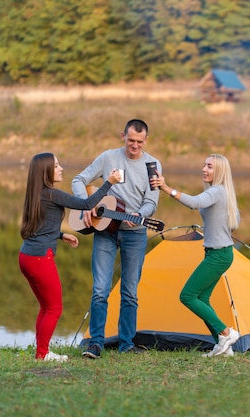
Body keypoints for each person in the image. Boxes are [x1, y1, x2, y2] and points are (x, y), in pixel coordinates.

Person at [19, 152, 122, 362]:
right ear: (46, 171)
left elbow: (39, 228)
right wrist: (108, 183)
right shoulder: (51, 194)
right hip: (40, 258)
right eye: (56, 166)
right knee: (54, 308)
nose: (61, 169)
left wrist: (61, 235)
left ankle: (41, 351)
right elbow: (86, 205)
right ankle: (43, 354)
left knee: (46, 307)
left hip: (27, 255)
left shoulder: (36, 194)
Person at [72, 119, 161, 358]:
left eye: (139, 142)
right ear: (123, 135)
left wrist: (140, 215)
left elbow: (151, 201)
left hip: (135, 234)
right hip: (105, 231)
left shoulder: (153, 165)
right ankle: (95, 343)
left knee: (130, 292)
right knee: (100, 289)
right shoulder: (108, 157)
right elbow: (78, 180)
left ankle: (126, 343)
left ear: (146, 140)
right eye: (130, 140)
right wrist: (86, 205)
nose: (134, 146)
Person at [150, 154, 240, 357]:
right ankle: (222, 347)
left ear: (219, 172)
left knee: (188, 295)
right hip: (218, 253)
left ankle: (226, 332)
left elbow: (194, 203)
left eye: (209, 166)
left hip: (218, 255)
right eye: (204, 165)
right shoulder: (220, 192)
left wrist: (166, 188)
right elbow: (234, 219)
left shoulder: (217, 191)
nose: (204, 169)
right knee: (203, 299)